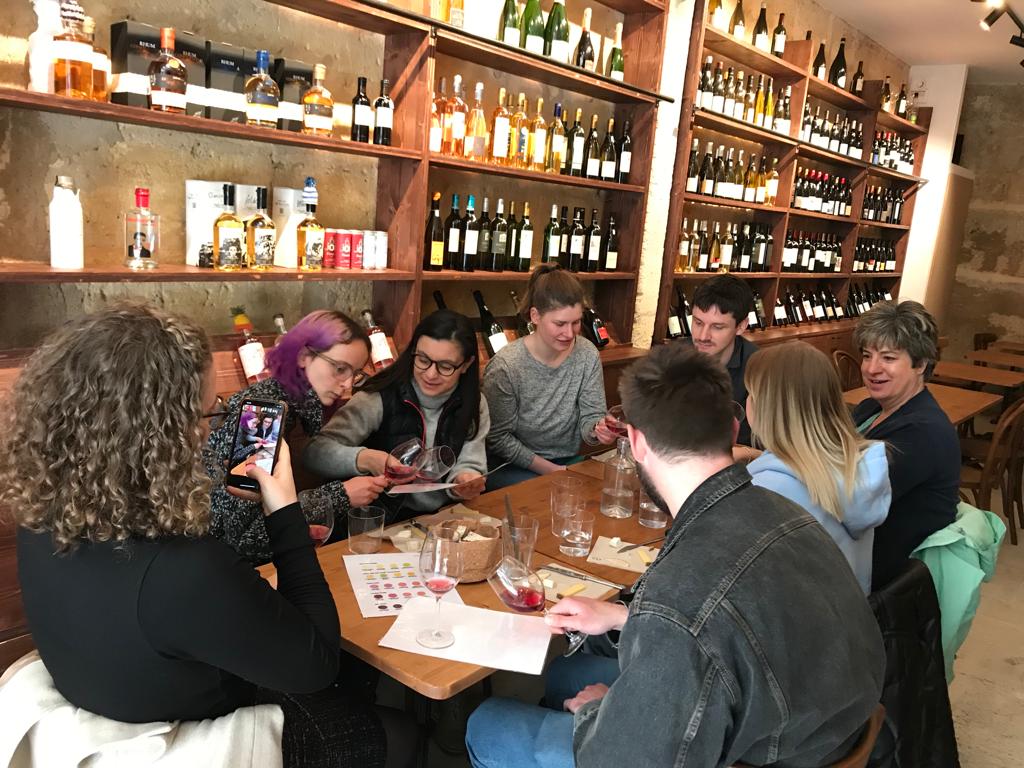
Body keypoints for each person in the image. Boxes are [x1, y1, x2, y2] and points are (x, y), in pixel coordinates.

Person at [0, 304, 414, 768]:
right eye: (205, 415)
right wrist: (285, 511)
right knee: (394, 734)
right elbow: (315, 665)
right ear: (160, 433)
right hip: (186, 726)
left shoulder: (43, 517)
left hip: (110, 693)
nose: (207, 434)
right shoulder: (184, 567)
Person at [466, 344, 885, 768]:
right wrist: (626, 618)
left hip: (756, 753)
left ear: (636, 442)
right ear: (735, 430)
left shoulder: (679, 599)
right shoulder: (789, 513)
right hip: (819, 731)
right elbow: (728, 623)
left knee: (488, 723)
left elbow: (630, 755)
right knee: (563, 676)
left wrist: (601, 713)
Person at [206, 310, 388, 565]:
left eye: (355, 373)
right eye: (339, 369)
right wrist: (339, 496)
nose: (347, 384)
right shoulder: (262, 415)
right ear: (304, 356)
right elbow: (247, 539)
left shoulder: (297, 405)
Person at [305, 309, 489, 522]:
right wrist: (365, 458)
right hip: (380, 520)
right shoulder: (379, 396)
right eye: (423, 359)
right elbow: (314, 452)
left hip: (445, 517)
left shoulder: (474, 402)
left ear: (466, 364)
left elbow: (470, 462)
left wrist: (465, 480)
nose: (430, 374)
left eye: (445, 366)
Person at [743, 341, 891, 593]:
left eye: (751, 394)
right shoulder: (854, 466)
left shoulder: (768, 490)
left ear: (766, 408)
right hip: (846, 619)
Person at [851, 300, 960, 591]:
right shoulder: (870, 408)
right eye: (866, 355)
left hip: (881, 575)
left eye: (888, 358)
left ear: (921, 363)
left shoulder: (923, 433)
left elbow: (851, 500)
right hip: (855, 547)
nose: (872, 369)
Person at [482, 265, 617, 489]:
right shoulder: (506, 366)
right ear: (535, 316)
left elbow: (591, 416)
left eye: (576, 322)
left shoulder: (586, 353)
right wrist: (552, 471)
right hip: (511, 467)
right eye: (560, 324)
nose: (569, 333)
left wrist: (599, 429)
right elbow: (498, 439)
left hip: (566, 462)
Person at [680, 273, 758, 445]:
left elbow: (754, 444)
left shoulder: (757, 368)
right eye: (698, 323)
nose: (703, 336)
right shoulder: (672, 358)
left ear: (741, 326)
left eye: (717, 327)